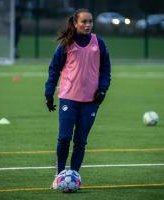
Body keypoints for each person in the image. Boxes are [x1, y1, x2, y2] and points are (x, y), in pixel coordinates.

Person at [44, 8, 111, 189]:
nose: (88, 25)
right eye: (84, 22)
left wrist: (103, 89)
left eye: (90, 21)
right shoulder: (66, 43)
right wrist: (49, 93)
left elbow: (106, 71)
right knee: (64, 138)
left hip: (91, 101)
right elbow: (54, 69)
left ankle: (74, 175)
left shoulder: (99, 43)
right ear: (75, 23)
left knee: (80, 141)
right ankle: (59, 175)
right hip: (68, 98)